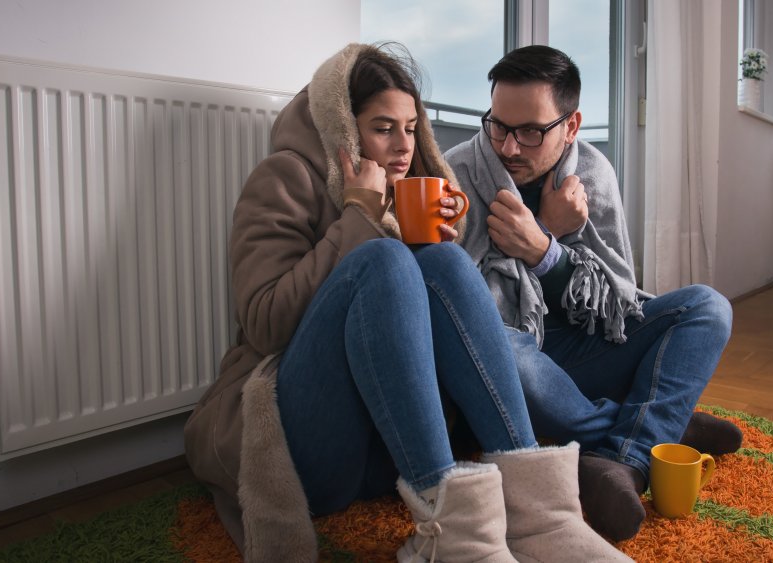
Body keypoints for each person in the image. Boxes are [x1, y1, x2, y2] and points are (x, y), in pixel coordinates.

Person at [183, 43, 630, 562]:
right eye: (382, 128)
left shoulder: (407, 185)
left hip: (385, 451)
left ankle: (540, 516)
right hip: (302, 444)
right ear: (345, 131)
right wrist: (358, 216)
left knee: (445, 263)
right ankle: (453, 533)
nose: (402, 146)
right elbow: (264, 324)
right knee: (383, 262)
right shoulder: (286, 177)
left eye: (411, 128)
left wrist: (429, 238)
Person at [444, 44, 743, 543]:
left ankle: (624, 455)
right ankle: (651, 431)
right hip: (516, 356)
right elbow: (459, 309)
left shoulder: (593, 176)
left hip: (585, 351)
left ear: (571, 126)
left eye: (531, 132)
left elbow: (617, 306)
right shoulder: (458, 174)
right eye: (497, 125)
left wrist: (544, 250)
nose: (508, 147)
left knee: (708, 307)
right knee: (498, 344)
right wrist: (546, 230)